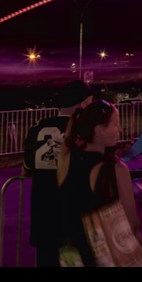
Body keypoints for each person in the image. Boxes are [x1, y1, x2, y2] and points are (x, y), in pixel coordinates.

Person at [56, 98, 142, 266]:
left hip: (72, 256)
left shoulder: (66, 160)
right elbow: (132, 223)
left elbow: (68, 141)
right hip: (103, 257)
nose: (120, 129)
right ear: (99, 130)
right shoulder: (116, 169)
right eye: (115, 124)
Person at [21, 80, 94, 267]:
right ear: (83, 103)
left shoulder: (38, 127)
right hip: (74, 218)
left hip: (43, 213)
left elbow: (26, 168)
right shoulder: (83, 129)